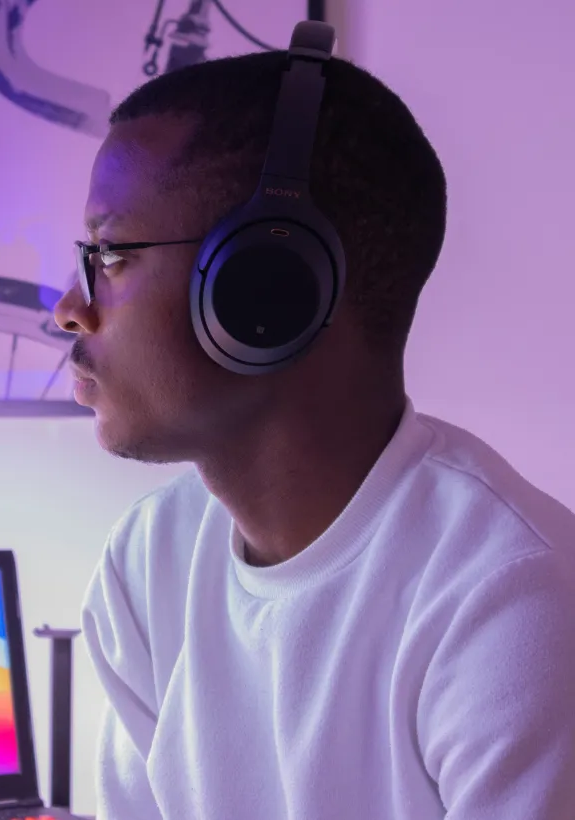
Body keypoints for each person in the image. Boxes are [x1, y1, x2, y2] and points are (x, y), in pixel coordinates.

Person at [52, 30, 575, 820]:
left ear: (266, 287)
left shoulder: (511, 599)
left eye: (112, 254)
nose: (68, 309)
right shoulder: (145, 563)